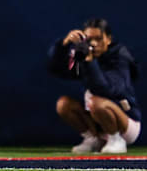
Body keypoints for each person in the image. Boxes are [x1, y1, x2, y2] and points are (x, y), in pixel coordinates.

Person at [48, 18, 141, 154]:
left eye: (99, 39)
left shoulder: (120, 56)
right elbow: (56, 70)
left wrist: (90, 62)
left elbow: (107, 90)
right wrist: (63, 46)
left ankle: (115, 140)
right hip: (98, 119)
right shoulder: (83, 56)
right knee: (64, 105)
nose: (93, 44)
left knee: (96, 102)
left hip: (126, 121)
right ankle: (93, 139)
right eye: (89, 39)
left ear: (108, 39)